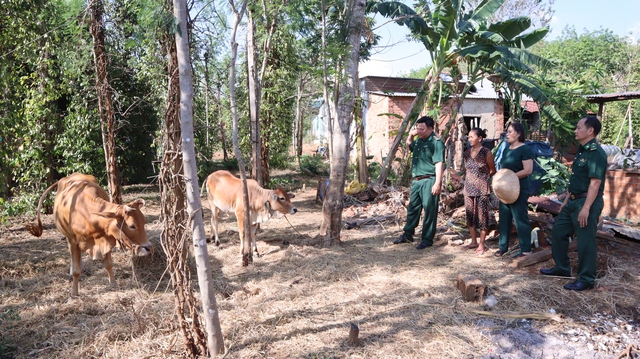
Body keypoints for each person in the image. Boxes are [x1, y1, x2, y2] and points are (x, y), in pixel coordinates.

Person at [540, 116, 607, 291]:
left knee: (585, 241)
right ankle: (562, 268)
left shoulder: (596, 152)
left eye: (578, 128)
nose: (575, 131)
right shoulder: (582, 150)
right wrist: (566, 201)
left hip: (587, 202)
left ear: (590, 130)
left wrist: (586, 208)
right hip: (573, 201)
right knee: (558, 232)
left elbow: (595, 183)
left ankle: (586, 279)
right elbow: (576, 180)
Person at [393, 116, 445, 250]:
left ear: (431, 129)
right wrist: (410, 135)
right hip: (417, 181)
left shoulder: (436, 142)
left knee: (429, 210)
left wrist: (437, 183)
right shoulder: (419, 141)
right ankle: (408, 234)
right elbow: (409, 145)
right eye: (417, 128)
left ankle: (427, 239)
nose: (419, 131)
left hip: (429, 180)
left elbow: (439, 163)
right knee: (413, 208)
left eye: (422, 129)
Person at [495, 121, 534, 258]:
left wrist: (510, 177)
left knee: (520, 218)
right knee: (504, 217)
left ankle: (526, 249)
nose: (507, 134)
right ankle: (502, 247)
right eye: (507, 131)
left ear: (518, 133)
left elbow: (528, 170)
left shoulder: (525, 149)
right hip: (505, 189)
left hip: (518, 188)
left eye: (510, 132)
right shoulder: (506, 149)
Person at [462, 128, 496, 254]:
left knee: (482, 217)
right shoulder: (466, 153)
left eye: (472, 137)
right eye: (468, 137)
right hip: (468, 189)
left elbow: (492, 170)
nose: (469, 139)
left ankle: (482, 244)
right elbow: (467, 170)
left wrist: (483, 180)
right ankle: (473, 241)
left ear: (480, 138)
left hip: (482, 189)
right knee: (470, 215)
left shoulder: (486, 152)